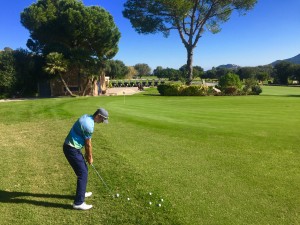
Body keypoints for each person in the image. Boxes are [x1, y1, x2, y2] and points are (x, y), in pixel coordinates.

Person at [63, 108, 109, 210]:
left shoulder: (87, 117)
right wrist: (89, 157)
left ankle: (81, 193)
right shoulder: (89, 125)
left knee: (83, 171)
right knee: (82, 173)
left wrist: (86, 155)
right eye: (102, 120)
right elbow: (88, 144)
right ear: (99, 116)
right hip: (71, 149)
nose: (101, 122)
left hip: (72, 147)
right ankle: (78, 203)